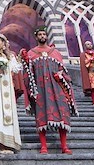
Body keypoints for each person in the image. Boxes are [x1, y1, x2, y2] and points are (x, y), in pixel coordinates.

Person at [21, 27, 78, 155]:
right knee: (41, 116)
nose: (42, 36)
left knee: (62, 114)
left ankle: (64, 146)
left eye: (44, 34)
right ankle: (43, 147)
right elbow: (28, 74)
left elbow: (64, 70)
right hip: (40, 89)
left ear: (47, 36)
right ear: (36, 37)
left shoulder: (55, 52)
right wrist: (31, 89)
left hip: (57, 88)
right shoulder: (31, 53)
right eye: (39, 34)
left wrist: (61, 76)